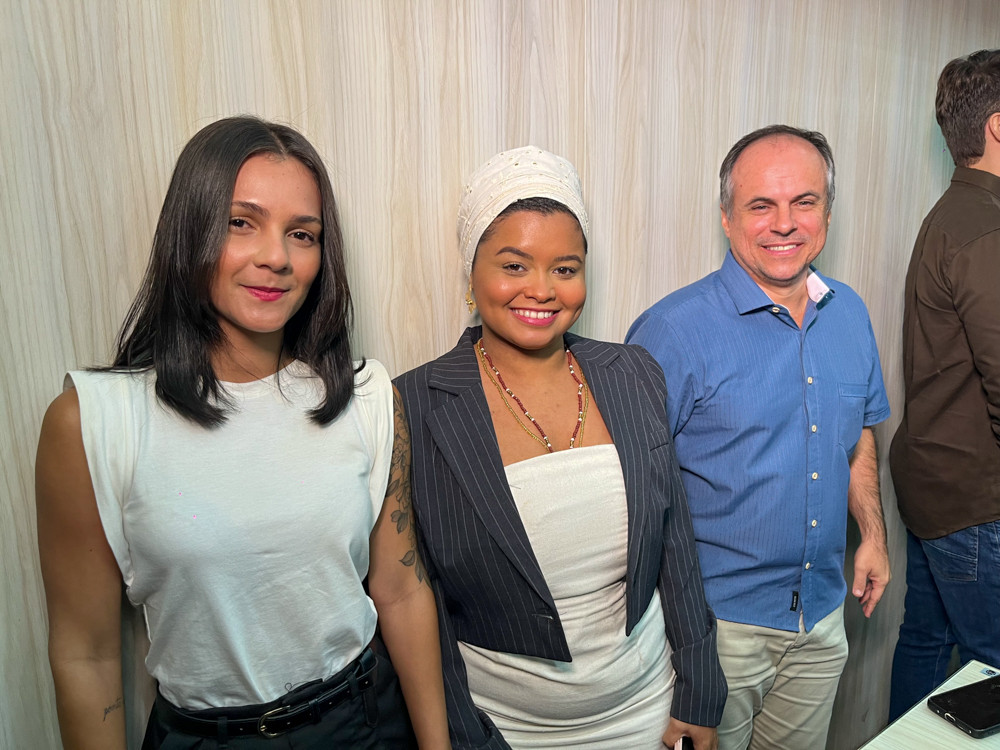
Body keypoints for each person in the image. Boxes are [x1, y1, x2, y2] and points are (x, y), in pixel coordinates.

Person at [35, 116, 450, 749]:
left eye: (301, 234)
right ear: (190, 228)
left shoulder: (367, 395)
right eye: (240, 222)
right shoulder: (94, 421)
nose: (276, 257)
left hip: (365, 721)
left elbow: (401, 592)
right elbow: (84, 654)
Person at [394, 146, 726, 750]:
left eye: (565, 269)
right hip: (507, 729)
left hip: (649, 711)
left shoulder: (633, 373)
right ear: (471, 273)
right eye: (514, 266)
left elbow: (675, 543)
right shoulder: (413, 405)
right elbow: (422, 600)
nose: (542, 290)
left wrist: (699, 693)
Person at [626, 125, 891, 750]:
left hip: (821, 620)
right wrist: (683, 649)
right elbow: (634, 498)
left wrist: (874, 536)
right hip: (715, 634)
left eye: (804, 202)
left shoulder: (850, 314)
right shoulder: (671, 332)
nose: (785, 223)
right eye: (761, 205)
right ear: (727, 218)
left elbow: (857, 435)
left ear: (828, 212)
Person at [888, 50, 1000, 721]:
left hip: (936, 479)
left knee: (928, 643)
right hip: (975, 499)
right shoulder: (985, 227)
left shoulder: (957, 213)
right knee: (992, 664)